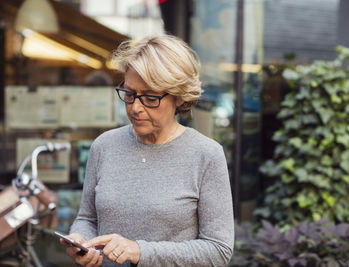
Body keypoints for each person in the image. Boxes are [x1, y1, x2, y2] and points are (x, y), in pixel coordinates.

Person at [61, 35, 234, 267]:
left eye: (150, 98)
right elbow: (87, 218)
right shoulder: (104, 146)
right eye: (130, 94)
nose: (135, 108)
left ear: (179, 96)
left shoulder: (206, 154)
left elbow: (218, 250)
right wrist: (80, 240)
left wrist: (140, 251)